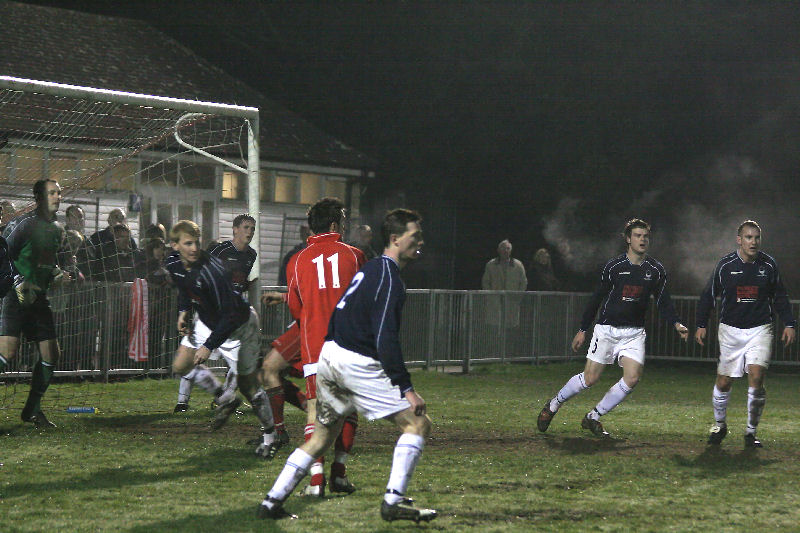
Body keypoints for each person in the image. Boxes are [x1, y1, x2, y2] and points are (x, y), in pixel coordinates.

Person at [256, 208, 436, 523]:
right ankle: (392, 502)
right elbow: (385, 337)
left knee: (320, 438)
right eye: (415, 235)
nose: (420, 241)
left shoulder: (371, 270)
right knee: (417, 424)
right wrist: (406, 388)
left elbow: (337, 313)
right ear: (395, 239)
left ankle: (272, 501)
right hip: (354, 363)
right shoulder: (386, 275)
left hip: (329, 356)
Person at [537, 219, 689, 437]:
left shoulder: (655, 270)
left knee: (632, 378)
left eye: (645, 236)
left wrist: (676, 323)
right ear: (628, 239)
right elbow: (596, 298)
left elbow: (663, 300)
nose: (642, 239)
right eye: (637, 235)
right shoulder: (615, 267)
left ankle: (593, 417)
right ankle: (553, 404)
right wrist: (583, 329)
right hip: (607, 330)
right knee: (590, 379)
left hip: (634, 333)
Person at [273, 197, 366, 496]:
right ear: (336, 224)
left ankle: (316, 482)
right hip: (350, 344)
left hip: (315, 347)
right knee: (348, 409)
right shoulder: (355, 256)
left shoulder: (296, 261)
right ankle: (339, 474)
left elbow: (296, 309)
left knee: (316, 412)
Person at [166, 220, 275, 433]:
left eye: (197, 243)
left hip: (239, 326)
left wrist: (208, 345)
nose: (195, 248)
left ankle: (272, 433)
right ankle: (225, 398)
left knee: (249, 386)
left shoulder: (212, 272)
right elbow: (184, 285)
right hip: (209, 321)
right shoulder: (173, 263)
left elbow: (230, 315)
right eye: (188, 243)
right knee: (180, 366)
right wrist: (183, 311)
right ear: (175, 245)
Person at [695, 220, 795, 448]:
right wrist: (701, 323)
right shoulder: (725, 265)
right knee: (723, 382)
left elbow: (779, 296)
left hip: (760, 328)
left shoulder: (768, 265)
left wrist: (789, 323)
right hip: (730, 331)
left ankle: (751, 433)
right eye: (749, 237)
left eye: (757, 237)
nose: (753, 242)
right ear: (739, 240)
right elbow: (708, 295)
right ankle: (720, 426)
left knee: (757, 377)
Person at [0, 179, 70, 427]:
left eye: (59, 193)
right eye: (52, 193)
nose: (57, 197)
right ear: (39, 198)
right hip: (15, 293)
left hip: (37, 298)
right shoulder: (24, 223)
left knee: (52, 353)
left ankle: (32, 410)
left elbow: (47, 263)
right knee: (7, 352)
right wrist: (17, 281)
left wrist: (56, 274)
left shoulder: (56, 230)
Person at [173, 214, 257, 412]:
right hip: (209, 313)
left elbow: (239, 281)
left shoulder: (251, 255)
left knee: (241, 364)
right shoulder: (219, 250)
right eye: (246, 227)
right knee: (191, 355)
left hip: (231, 315)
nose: (250, 232)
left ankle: (223, 400)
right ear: (235, 229)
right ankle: (182, 402)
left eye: (252, 228)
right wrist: (185, 309)